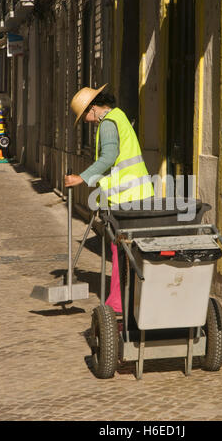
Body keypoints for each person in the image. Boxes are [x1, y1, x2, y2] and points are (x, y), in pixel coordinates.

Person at [66, 84, 154, 314]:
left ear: (93, 108)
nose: (86, 120)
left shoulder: (107, 125)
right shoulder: (119, 116)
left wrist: (81, 178)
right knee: (132, 251)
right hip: (138, 194)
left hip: (127, 199)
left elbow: (108, 158)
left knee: (120, 250)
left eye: (85, 115)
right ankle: (135, 300)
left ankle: (117, 303)